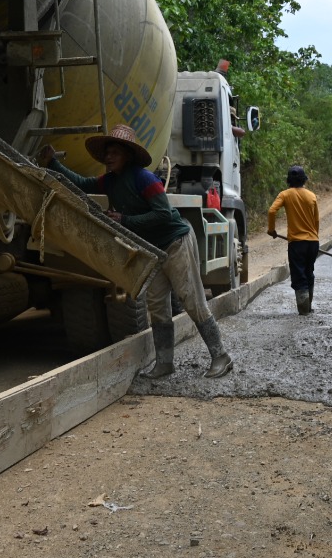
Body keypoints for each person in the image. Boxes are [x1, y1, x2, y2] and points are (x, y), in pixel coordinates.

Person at [39, 124, 233, 380]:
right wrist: (54, 164)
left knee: (191, 299)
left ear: (127, 155)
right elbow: (83, 184)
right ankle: (164, 363)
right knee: (157, 307)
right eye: (107, 152)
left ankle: (221, 356)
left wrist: (125, 220)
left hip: (174, 242)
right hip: (150, 250)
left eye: (115, 152)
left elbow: (163, 214)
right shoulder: (110, 181)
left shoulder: (144, 178)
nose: (109, 157)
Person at [268, 165, 320, 314]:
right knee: (309, 271)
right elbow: (316, 220)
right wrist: (314, 237)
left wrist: (271, 230)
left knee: (299, 274)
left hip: (297, 243)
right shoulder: (312, 196)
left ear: (289, 181)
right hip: (313, 242)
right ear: (304, 180)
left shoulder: (285, 195)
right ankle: (308, 306)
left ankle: (303, 309)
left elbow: (272, 211)